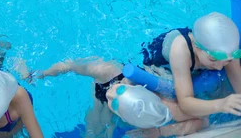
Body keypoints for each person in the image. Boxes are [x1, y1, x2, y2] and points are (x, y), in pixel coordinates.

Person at [17, 57, 204, 137]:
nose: (110, 94)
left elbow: (201, 122)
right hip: (108, 83)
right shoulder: (106, 71)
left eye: (114, 103)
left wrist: (161, 132)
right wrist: (40, 74)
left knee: (106, 127)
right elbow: (68, 65)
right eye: (118, 92)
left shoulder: (164, 107)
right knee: (93, 131)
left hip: (132, 114)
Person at [140, 12, 241, 118]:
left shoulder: (229, 48)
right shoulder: (180, 51)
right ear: (197, 47)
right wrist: (220, 105)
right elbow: (185, 104)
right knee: (181, 114)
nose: (219, 67)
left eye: (227, 61)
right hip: (160, 63)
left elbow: (238, 83)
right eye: (213, 59)